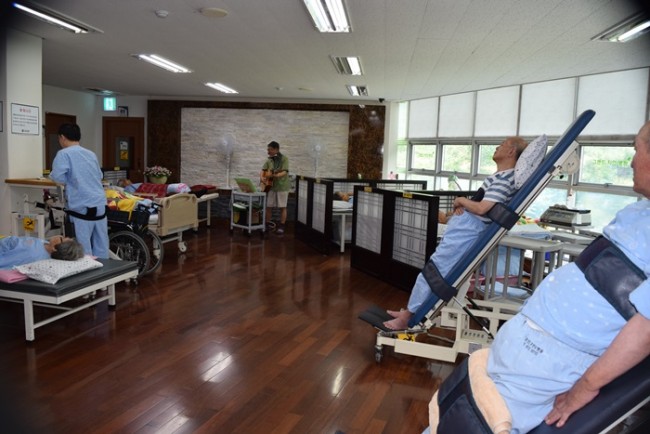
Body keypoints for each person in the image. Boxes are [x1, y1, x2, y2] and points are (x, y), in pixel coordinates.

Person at [478, 120, 650, 433]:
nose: (631, 161)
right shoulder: (640, 212)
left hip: (553, 357)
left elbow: (647, 327)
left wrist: (586, 385)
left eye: (637, 149)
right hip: (528, 338)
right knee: (460, 412)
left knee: (477, 423)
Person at [384, 136, 528, 330]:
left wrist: (461, 200)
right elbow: (480, 205)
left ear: (511, 152)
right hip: (464, 228)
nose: (497, 147)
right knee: (432, 269)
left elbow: (482, 209)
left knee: (433, 272)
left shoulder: (505, 179)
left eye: (502, 145)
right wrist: (464, 207)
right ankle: (409, 312)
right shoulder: (499, 176)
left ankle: (408, 317)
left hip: (467, 232)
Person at [50, 123, 109, 258]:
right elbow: (99, 175)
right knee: (102, 244)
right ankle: (105, 268)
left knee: (83, 248)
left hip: (82, 207)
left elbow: (58, 178)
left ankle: (88, 270)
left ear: (62, 137)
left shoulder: (63, 154)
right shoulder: (91, 154)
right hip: (100, 205)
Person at [0, 235, 84, 270]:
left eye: (61, 238)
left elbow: (7, 260)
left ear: (55, 249)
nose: (59, 235)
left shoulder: (32, 254)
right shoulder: (46, 244)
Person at [261, 141, 290, 235]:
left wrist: (275, 175)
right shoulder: (269, 160)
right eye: (268, 149)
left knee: (283, 207)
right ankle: (266, 224)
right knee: (268, 206)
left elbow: (284, 172)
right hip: (271, 186)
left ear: (276, 149)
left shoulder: (284, 159)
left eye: (270, 150)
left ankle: (282, 226)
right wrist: (263, 178)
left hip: (282, 186)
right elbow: (263, 170)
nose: (268, 151)